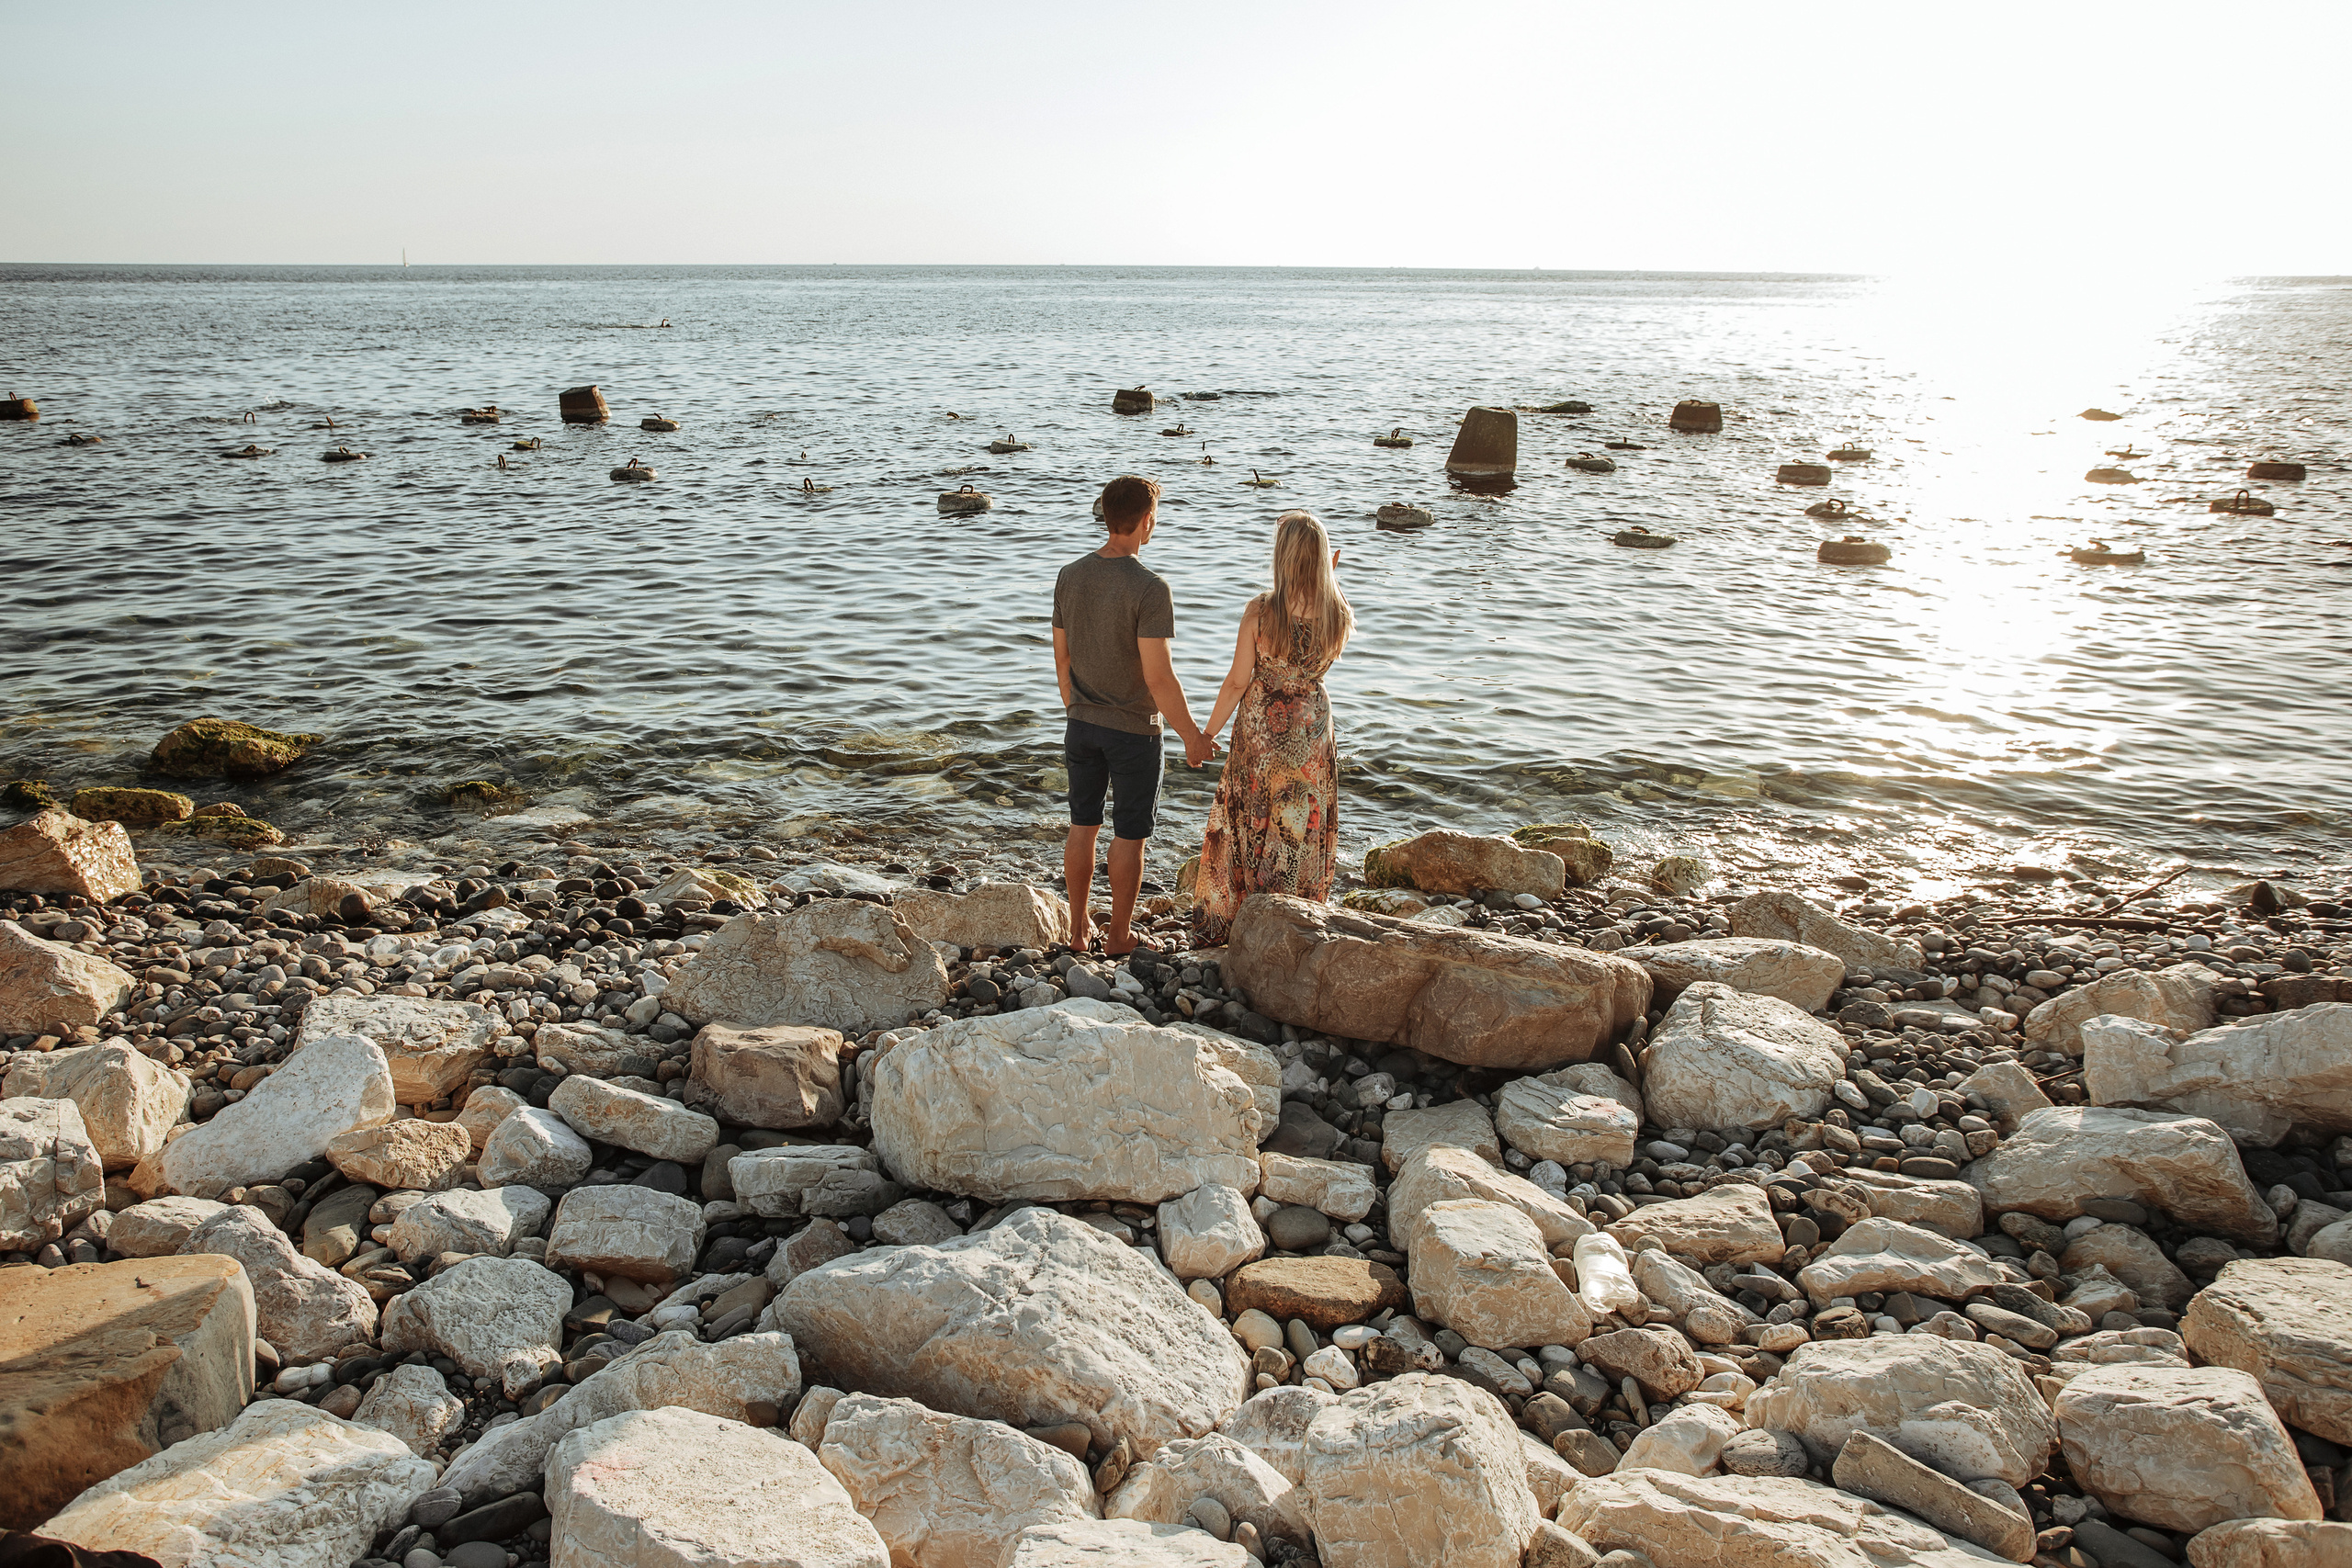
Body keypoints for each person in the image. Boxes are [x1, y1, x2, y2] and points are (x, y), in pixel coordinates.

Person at [1052, 475, 1217, 955]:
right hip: (1134, 732)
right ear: (1147, 521)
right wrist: (1192, 736)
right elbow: (1159, 677)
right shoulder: (1150, 588)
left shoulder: (1070, 574)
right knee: (1130, 832)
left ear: (1105, 516)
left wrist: (1075, 707)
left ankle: (1079, 931)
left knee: (1082, 823)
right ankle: (1119, 936)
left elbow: (1062, 657)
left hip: (1080, 723)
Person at [1192, 510, 1351, 945]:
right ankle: (1297, 918)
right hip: (1312, 732)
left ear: (1282, 557)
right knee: (1301, 822)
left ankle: (1242, 920)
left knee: (1253, 817)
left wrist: (1205, 734)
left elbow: (1238, 681)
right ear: (1321, 558)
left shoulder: (1262, 611)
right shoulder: (1336, 609)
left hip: (1264, 732)